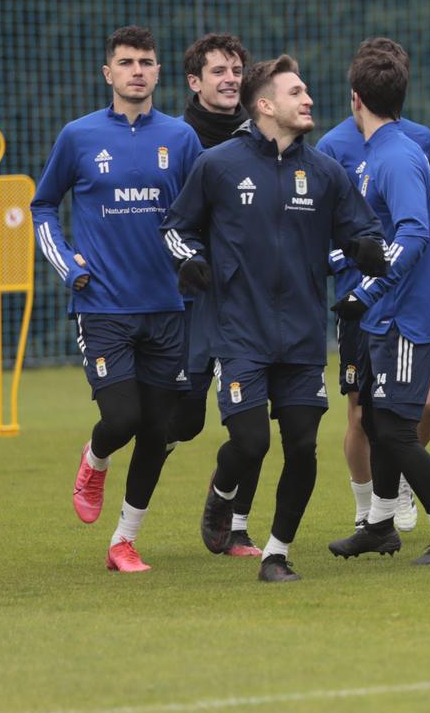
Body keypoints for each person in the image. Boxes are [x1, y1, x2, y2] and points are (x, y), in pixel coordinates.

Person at [163, 54, 385, 582]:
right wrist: (189, 260)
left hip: (304, 335)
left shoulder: (325, 172)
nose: (308, 100)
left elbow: (363, 229)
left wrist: (367, 249)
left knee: (303, 446)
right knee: (251, 443)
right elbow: (176, 228)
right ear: (264, 105)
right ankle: (222, 493)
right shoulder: (218, 165)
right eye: (296, 92)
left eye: (307, 92)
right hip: (239, 332)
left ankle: (276, 553)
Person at [33, 27, 204, 572]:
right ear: (108, 73)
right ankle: (95, 457)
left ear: (158, 73)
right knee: (123, 418)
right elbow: (42, 207)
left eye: (147, 62)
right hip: (102, 304)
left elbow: (204, 210)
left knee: (158, 430)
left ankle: (123, 541)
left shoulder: (180, 139)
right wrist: (67, 264)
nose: (137, 70)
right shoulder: (78, 137)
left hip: (168, 307)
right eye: (126, 62)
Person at [324, 48, 430, 565]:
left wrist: (366, 290)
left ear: (356, 99)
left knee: (396, 429)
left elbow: (413, 233)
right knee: (378, 420)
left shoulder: (396, 157)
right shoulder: (386, 150)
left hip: (405, 317)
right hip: (385, 316)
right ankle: (381, 525)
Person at [177, 31, 260, 556]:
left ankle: (235, 521)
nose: (230, 80)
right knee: (182, 420)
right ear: (194, 81)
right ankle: (133, 503)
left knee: (252, 423)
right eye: (218, 72)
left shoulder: (263, 134)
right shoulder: (177, 139)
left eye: (236, 71)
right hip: (189, 299)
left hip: (248, 301)